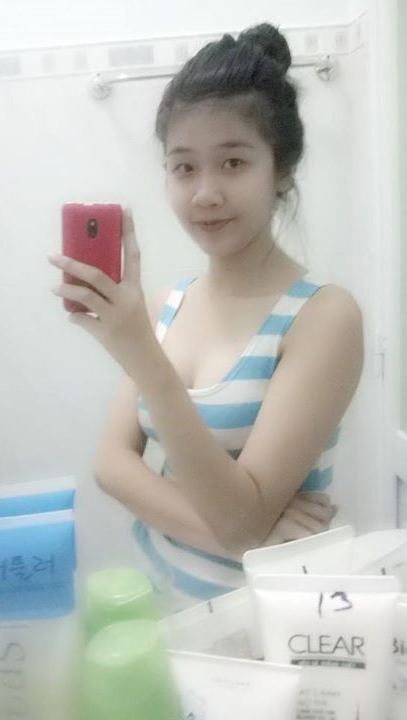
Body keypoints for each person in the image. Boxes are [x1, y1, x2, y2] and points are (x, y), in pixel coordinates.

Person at [48, 23, 364, 610]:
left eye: (234, 162)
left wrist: (141, 354)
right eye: (184, 167)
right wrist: (249, 536)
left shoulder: (323, 317)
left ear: (283, 169)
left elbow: (238, 520)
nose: (205, 193)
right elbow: (111, 465)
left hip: (272, 626)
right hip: (166, 611)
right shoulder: (163, 307)